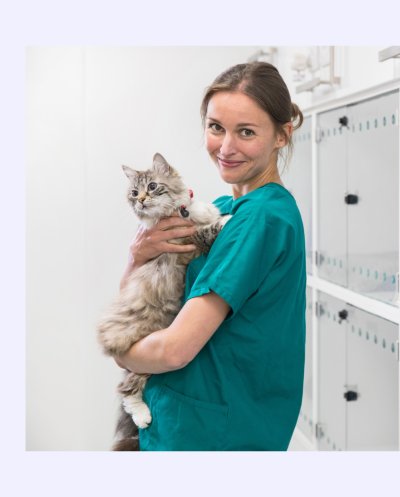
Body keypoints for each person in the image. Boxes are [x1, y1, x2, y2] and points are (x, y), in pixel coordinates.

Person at [114, 62, 306, 450]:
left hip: (213, 434)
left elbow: (174, 349)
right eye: (216, 127)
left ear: (281, 136)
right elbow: (136, 305)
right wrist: (137, 257)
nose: (226, 147)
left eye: (246, 132)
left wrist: (121, 352)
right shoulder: (223, 208)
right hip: (180, 419)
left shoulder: (262, 219)